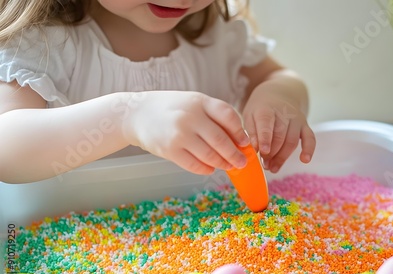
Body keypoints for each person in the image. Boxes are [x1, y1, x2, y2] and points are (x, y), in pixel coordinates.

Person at [0, 0, 316, 184]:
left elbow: (280, 76)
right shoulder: (44, 43)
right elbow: (7, 147)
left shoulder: (214, 35)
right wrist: (127, 116)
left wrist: (279, 96)